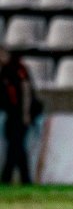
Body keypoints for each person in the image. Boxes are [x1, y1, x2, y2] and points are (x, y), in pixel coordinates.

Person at [0, 47, 36, 185]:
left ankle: (6, 178)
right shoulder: (4, 71)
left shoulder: (17, 68)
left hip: (20, 115)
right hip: (11, 114)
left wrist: (26, 114)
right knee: (18, 147)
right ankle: (26, 179)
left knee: (14, 147)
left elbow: (26, 92)